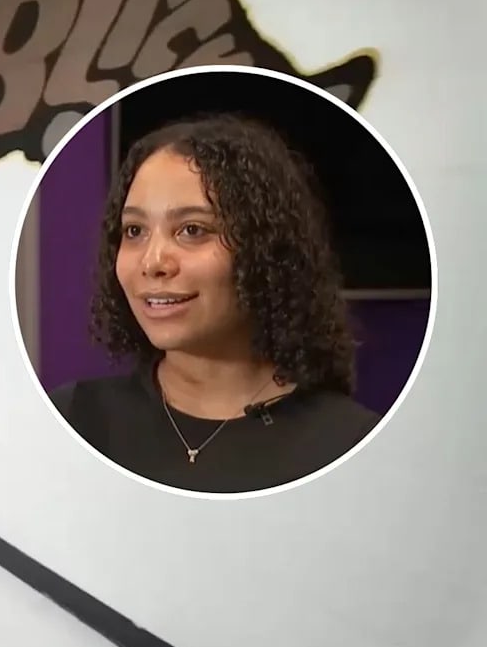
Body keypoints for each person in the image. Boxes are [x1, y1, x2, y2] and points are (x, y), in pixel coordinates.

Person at [50, 112, 381, 495]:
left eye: (192, 230)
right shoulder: (76, 418)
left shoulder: (348, 445)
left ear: (265, 250)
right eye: (134, 231)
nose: (152, 261)